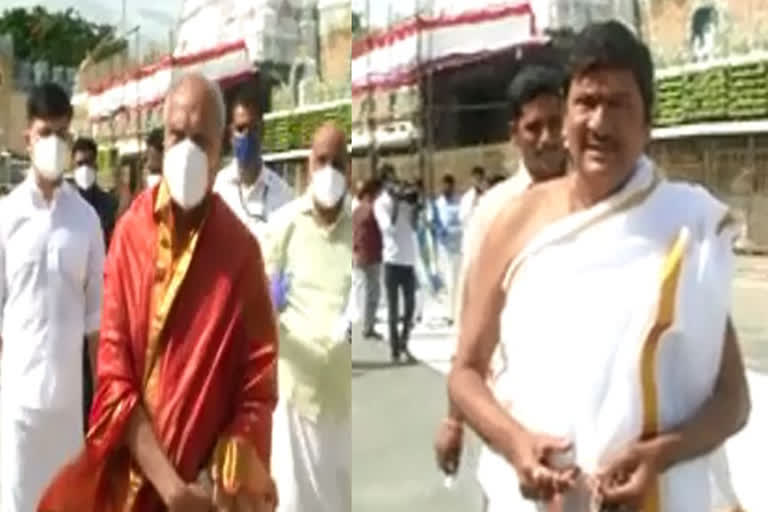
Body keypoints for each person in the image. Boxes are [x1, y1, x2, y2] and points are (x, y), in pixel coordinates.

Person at [449, 21, 750, 511]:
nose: (600, 124)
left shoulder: (684, 228)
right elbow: (465, 371)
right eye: (587, 102)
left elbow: (733, 400)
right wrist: (514, 443)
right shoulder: (513, 222)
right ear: (566, 114)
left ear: (648, 123)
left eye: (619, 105)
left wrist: (661, 455)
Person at [39, 73, 278, 512]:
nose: (186, 151)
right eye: (176, 135)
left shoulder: (240, 252)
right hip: (132, 490)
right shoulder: (131, 233)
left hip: (209, 499)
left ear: (220, 149)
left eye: (200, 140)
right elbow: (113, 379)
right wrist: (171, 488)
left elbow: (257, 388)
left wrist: (217, 477)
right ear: (163, 140)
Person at [434, 63, 567, 499]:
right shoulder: (494, 212)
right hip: (512, 413)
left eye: (556, 123)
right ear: (515, 132)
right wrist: (455, 420)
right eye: (534, 127)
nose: (548, 137)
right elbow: (468, 325)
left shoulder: (596, 194)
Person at [0, 82, 105, 512]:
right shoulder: (6, 217)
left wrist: (101, 408)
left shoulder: (86, 221)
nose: (54, 144)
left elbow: (97, 327)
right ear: (28, 137)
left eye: (63, 134)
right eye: (46, 133)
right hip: (17, 413)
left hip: (67, 414)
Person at [263, 122, 353, 512]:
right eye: (322, 160)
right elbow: (262, 298)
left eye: (338, 162)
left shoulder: (357, 227)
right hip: (294, 395)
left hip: (344, 399)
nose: (329, 170)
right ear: (308, 165)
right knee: (294, 503)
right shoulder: (283, 225)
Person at [70, 136, 119, 433]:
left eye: (88, 163)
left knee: (98, 370)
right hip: (74, 303)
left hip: (102, 301)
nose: (84, 169)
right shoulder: (66, 207)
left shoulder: (109, 204)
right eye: (79, 164)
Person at [214, 84, 293, 246]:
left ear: (262, 131)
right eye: (241, 128)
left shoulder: (284, 196)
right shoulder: (217, 190)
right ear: (230, 134)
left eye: (253, 128)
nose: (247, 136)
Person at [374, 164, 419, 363]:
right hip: (392, 260)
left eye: (395, 178)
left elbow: (414, 225)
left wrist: (414, 205)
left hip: (408, 259)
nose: (394, 182)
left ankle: (404, 342)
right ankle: (394, 350)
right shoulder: (380, 204)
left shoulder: (404, 200)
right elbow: (388, 229)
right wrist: (395, 204)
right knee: (393, 309)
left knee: (411, 307)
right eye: (390, 179)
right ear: (384, 182)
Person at [352, 177, 384, 340]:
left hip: (359, 254)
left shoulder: (357, 211)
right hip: (371, 255)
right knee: (372, 292)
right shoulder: (373, 210)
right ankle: (368, 326)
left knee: (364, 290)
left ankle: (366, 322)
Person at [431, 173, 463, 324]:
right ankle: (449, 313)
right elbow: (435, 223)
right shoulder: (438, 203)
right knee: (446, 281)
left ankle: (456, 313)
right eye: (444, 185)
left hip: (458, 246)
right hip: (444, 247)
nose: (446, 188)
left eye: (448, 185)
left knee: (456, 280)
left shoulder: (460, 202)